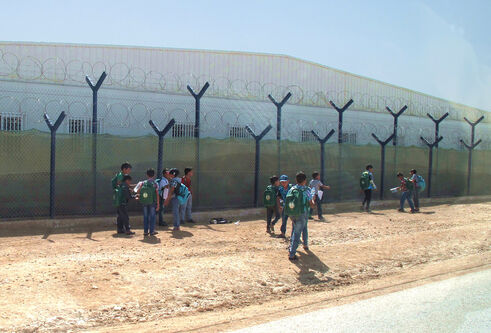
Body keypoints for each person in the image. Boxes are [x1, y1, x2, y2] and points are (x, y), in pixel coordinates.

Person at [286, 171, 315, 260]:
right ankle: (292, 253)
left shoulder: (292, 189)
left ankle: (305, 244)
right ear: (305, 180)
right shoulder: (306, 190)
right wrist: (313, 198)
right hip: (303, 213)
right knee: (297, 232)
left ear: (296, 180)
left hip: (292, 213)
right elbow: (311, 204)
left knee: (298, 228)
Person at [137, 168, 160, 236]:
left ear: (147, 175)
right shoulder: (155, 183)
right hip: (152, 202)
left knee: (145, 216)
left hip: (144, 202)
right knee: (152, 216)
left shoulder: (143, 183)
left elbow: (138, 191)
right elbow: (157, 194)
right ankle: (152, 231)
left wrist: (139, 196)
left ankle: (145, 231)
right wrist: (158, 203)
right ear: (154, 175)